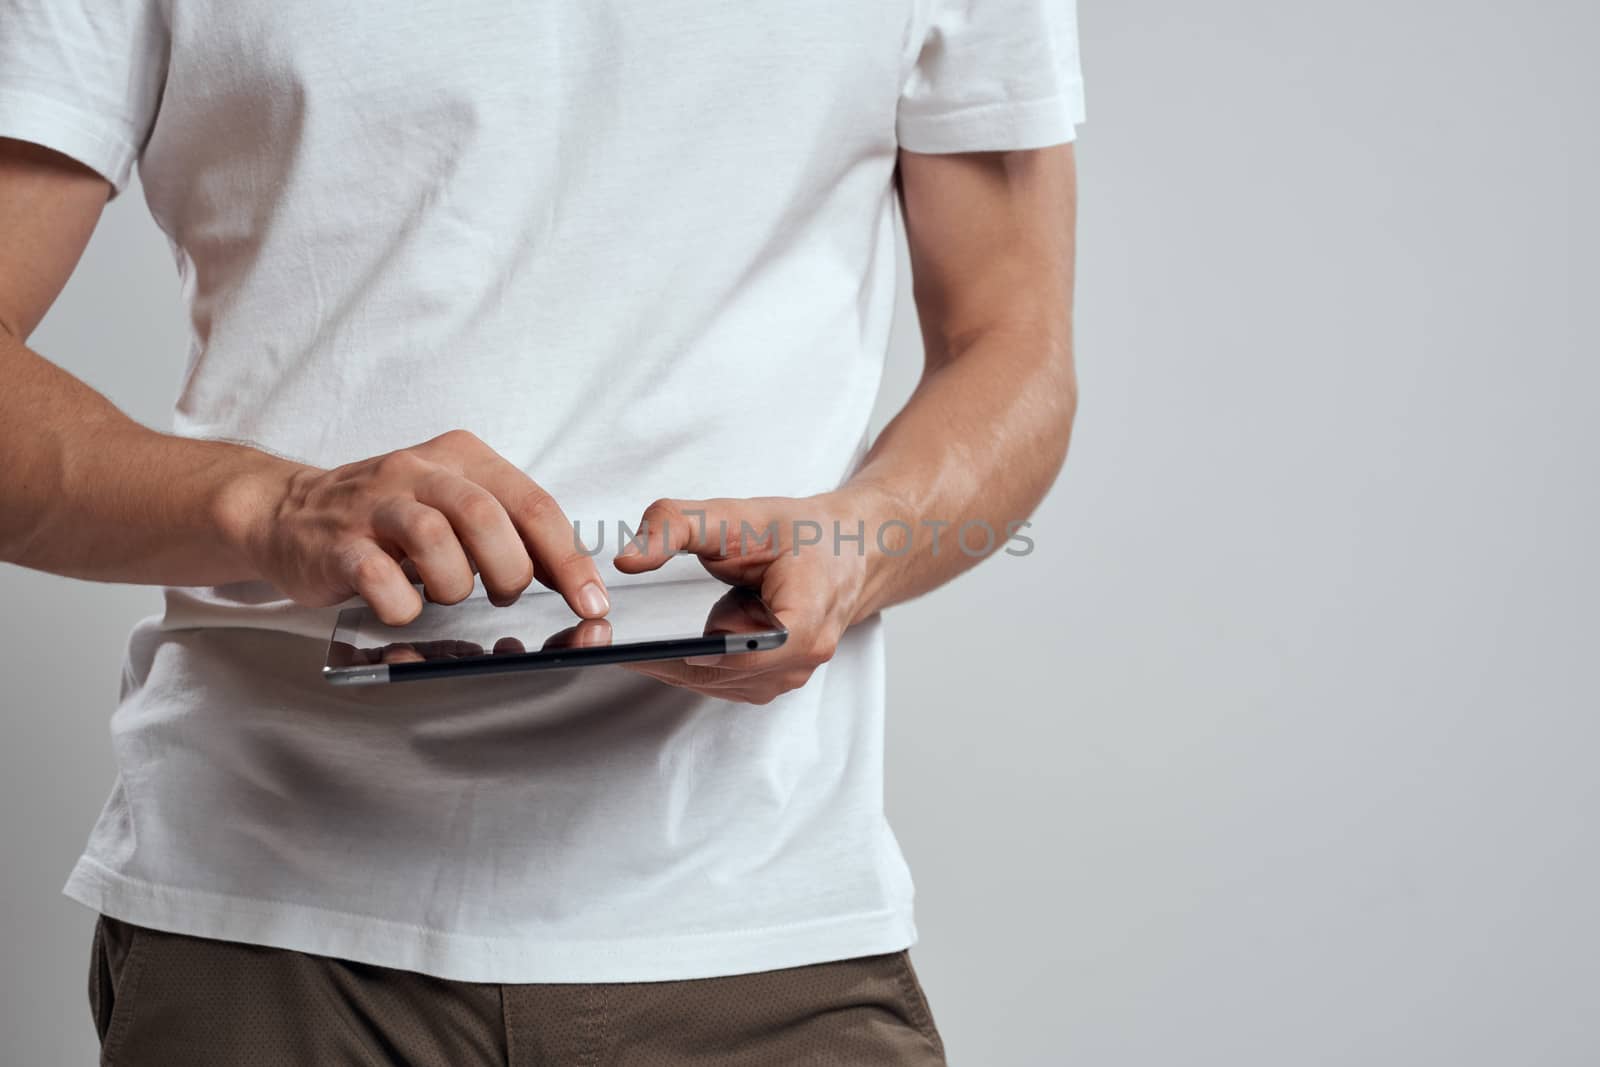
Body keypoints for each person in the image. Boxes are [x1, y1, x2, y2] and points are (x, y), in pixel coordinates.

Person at [0, 0, 1083, 1062]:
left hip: (762, 926)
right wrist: (268, 505)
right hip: (266, 923)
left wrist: (862, 541)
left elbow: (1011, 338)